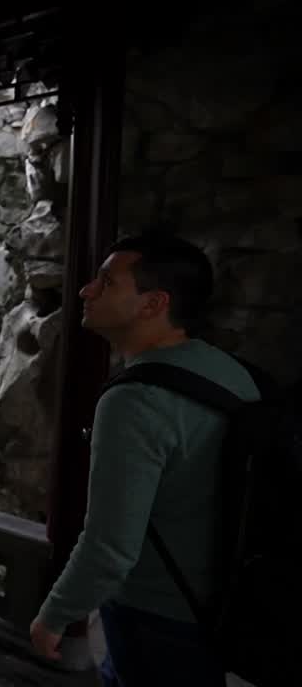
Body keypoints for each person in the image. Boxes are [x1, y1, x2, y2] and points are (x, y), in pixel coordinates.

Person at [28, 233, 258, 686]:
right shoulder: (229, 372)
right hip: (220, 601)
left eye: (106, 283)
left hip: (157, 614)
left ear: (153, 304)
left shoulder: (136, 401)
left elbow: (110, 546)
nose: (85, 290)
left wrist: (54, 615)